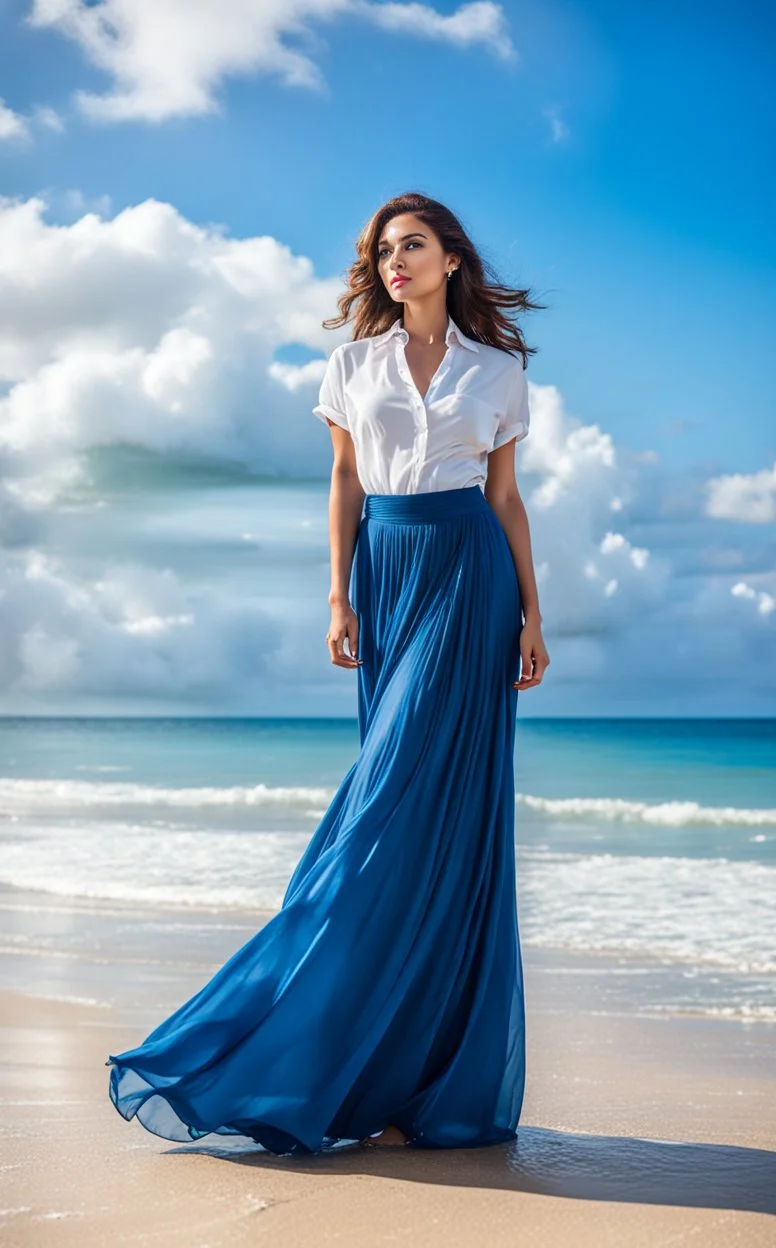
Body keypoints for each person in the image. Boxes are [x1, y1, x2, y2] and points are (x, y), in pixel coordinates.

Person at [105, 191, 550, 1155]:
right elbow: (346, 482)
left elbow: (506, 499)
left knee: (427, 809)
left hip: (472, 579)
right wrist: (340, 597)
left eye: (414, 246)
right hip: (387, 574)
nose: (396, 262)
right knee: (393, 802)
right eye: (385, 251)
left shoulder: (500, 371)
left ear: (452, 261)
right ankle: (359, 1053)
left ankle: (419, 1066)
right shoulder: (353, 365)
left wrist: (533, 614)